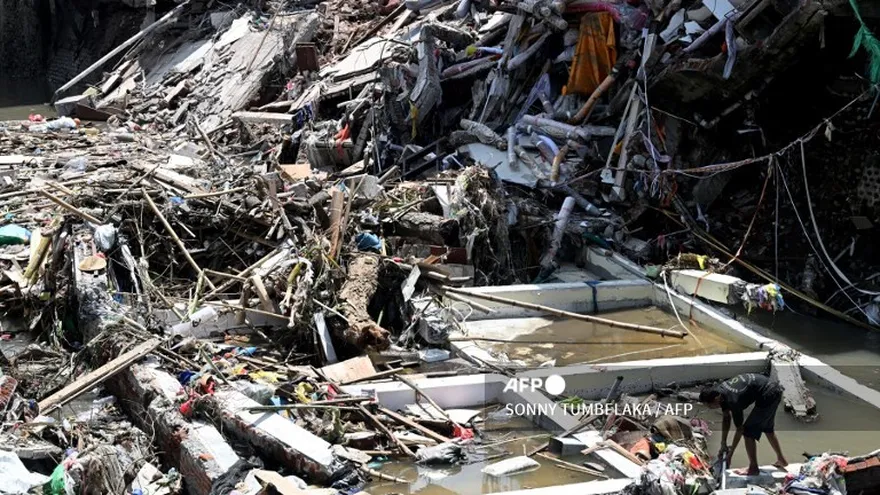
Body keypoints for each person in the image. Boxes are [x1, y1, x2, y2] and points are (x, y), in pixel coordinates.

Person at [699, 373, 787, 475]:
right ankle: (781, 459)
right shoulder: (720, 392)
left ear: (716, 399)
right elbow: (727, 418)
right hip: (771, 389)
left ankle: (753, 468)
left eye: (710, 406)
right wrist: (723, 443)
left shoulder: (733, 401)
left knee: (748, 432)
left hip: (768, 393)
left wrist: (730, 455)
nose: (710, 408)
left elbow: (740, 429)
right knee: (767, 428)